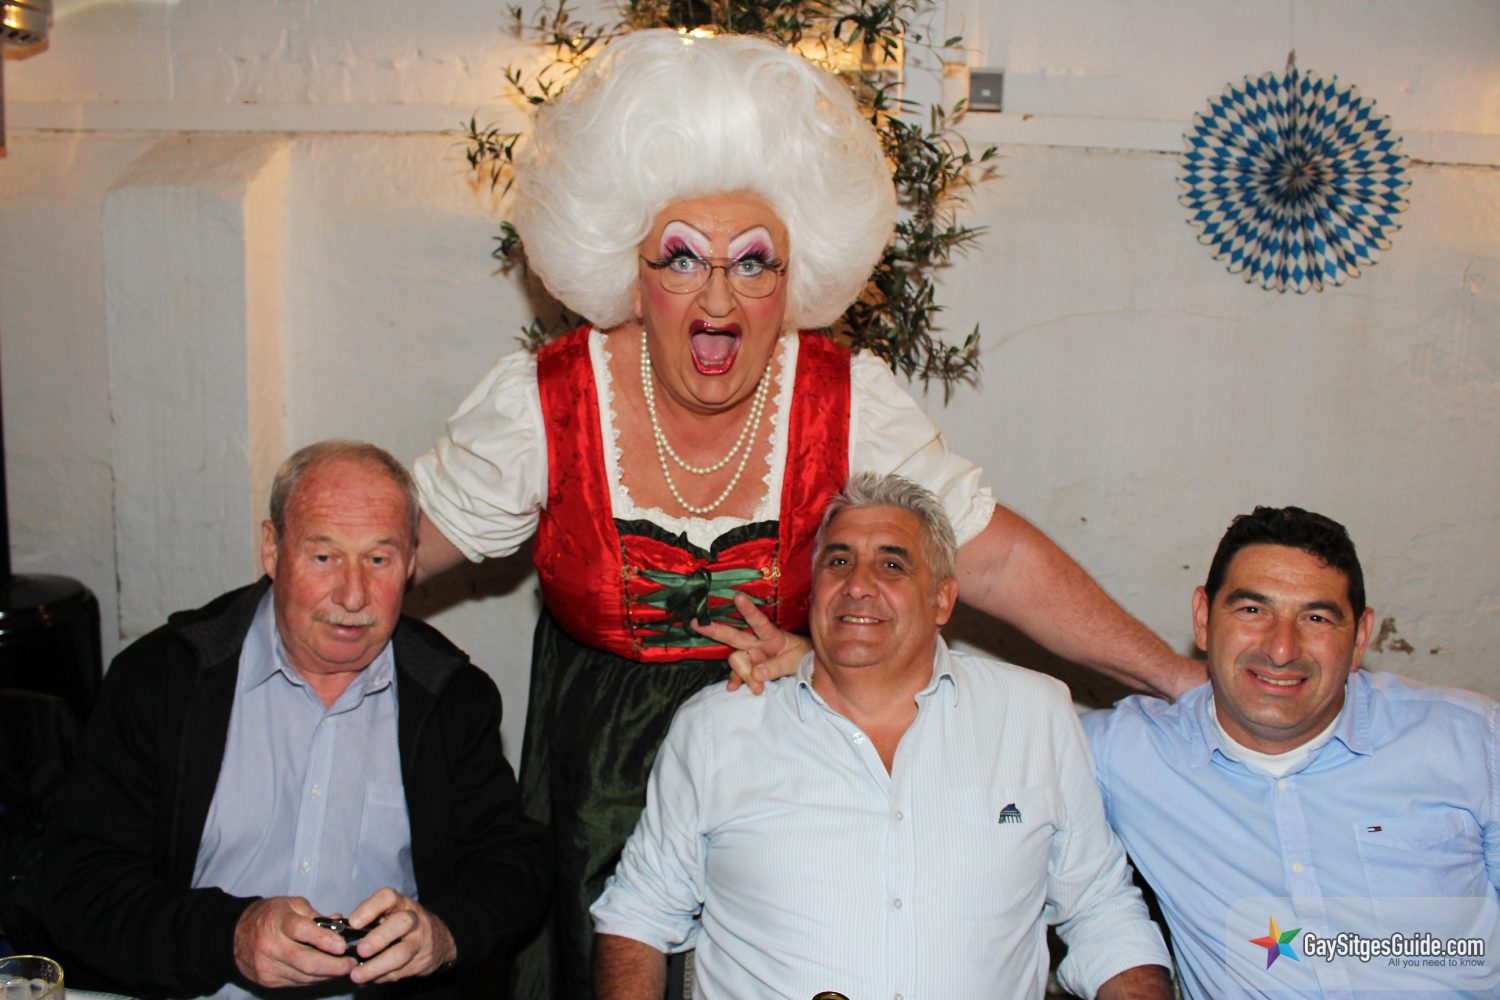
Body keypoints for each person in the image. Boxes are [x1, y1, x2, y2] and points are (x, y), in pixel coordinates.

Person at [411, 28, 1199, 996]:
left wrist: (1176, 678)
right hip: (596, 779)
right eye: (681, 258)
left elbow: (990, 560)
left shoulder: (846, 400)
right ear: (629, 272)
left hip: (788, 743)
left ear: (794, 281)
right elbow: (386, 558)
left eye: (755, 263)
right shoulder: (547, 404)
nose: (718, 294)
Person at [590, 472, 1172, 998]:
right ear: (812, 590)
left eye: (892, 565)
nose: (858, 585)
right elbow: (639, 914)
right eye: (838, 561)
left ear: (942, 599)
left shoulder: (1033, 715)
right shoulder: (718, 729)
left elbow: (1099, 908)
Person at [43, 441, 549, 999]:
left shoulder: (450, 696)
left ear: (409, 562)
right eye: (324, 557)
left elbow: (514, 865)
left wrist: (444, 932)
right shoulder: (163, 679)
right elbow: (79, 882)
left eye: (378, 560)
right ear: (272, 549)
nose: (352, 595)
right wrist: (229, 935)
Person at [1083, 507, 1500, 997]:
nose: (1281, 649)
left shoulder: (1473, 740)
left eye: (1316, 618)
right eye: (1252, 610)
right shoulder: (1128, 752)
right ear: (1203, 618)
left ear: (1360, 637)